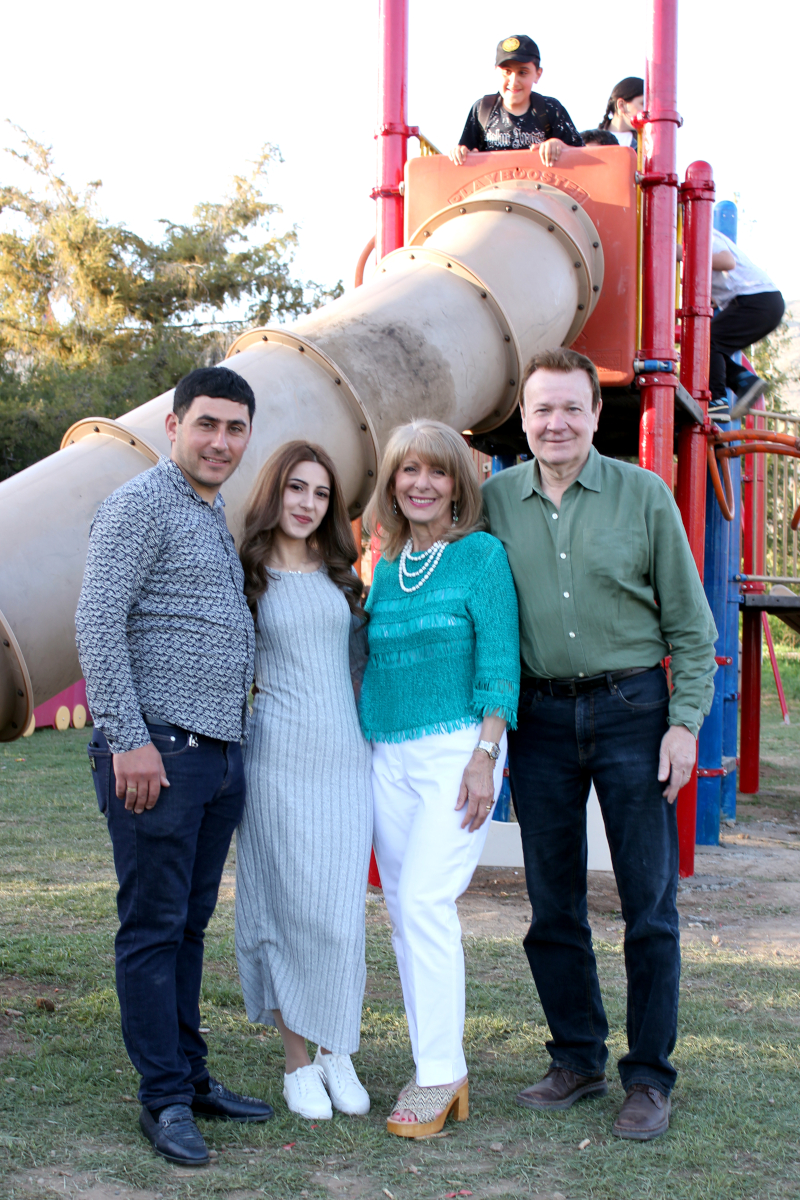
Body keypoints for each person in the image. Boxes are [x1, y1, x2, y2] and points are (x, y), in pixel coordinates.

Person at [481, 348, 717, 1142]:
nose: (556, 423)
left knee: (648, 905)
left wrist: (684, 722)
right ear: (524, 417)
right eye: (542, 409)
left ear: (592, 413)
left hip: (634, 714)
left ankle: (648, 1077)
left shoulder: (643, 495)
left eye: (571, 409)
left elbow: (690, 623)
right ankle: (576, 1056)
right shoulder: (494, 503)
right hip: (539, 720)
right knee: (552, 905)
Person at [76, 366, 273, 1168]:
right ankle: (161, 1099)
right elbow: (97, 620)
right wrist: (129, 739)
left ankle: (190, 1077)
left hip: (215, 757)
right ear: (173, 425)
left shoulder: (210, 512)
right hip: (158, 754)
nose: (221, 441)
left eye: (235, 429)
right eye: (208, 425)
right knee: (153, 929)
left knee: (188, 929)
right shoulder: (139, 505)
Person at [359, 419, 520, 1138]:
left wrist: (487, 754)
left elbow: (500, 665)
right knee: (402, 908)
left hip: (460, 750)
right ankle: (437, 1062)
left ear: (458, 482)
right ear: (392, 484)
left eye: (437, 471)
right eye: (407, 471)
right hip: (385, 753)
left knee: (426, 900)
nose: (421, 484)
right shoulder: (387, 568)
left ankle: (438, 1074)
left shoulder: (481, 557)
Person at [235, 441, 372, 1121]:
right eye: (296, 488)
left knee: (340, 916)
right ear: (275, 492)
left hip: (346, 761)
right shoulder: (247, 572)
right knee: (287, 911)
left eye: (320, 493)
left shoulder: (342, 573)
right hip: (276, 759)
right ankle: (296, 1063)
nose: (307, 503)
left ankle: (336, 1050)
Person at [450, 35, 583, 169]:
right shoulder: (482, 110)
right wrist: (459, 152)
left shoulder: (551, 109)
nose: (513, 82)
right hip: (495, 188)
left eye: (523, 73)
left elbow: (584, 158)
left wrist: (561, 146)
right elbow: (464, 161)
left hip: (542, 188)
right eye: (507, 72)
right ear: (496, 71)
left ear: (538, 74)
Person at [708, 230, 785, 421]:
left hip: (759, 300)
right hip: (761, 302)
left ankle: (716, 400)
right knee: (707, 344)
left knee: (708, 339)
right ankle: (744, 380)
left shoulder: (702, 232)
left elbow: (727, 262)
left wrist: (680, 252)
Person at [598, 76, 644, 149]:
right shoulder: (587, 143)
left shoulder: (647, 146)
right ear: (621, 105)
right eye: (643, 104)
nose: (647, 110)